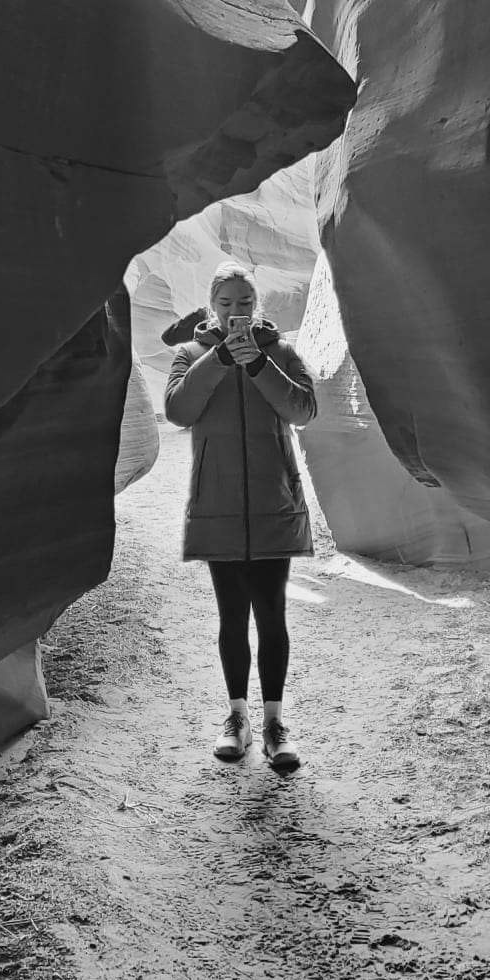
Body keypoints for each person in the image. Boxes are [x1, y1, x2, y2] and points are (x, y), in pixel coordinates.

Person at [164, 261, 317, 770]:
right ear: (213, 307)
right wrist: (220, 360)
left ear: (258, 306)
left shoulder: (284, 353)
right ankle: (237, 717)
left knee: (272, 616)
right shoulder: (188, 355)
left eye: (245, 304)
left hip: (274, 504)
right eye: (226, 304)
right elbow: (179, 411)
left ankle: (275, 724)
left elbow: (302, 411)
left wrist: (256, 365)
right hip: (218, 508)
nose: (236, 313)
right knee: (232, 618)